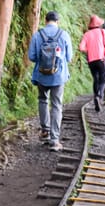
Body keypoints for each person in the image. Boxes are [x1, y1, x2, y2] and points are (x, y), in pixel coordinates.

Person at [28, 10, 73, 151]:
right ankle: (54, 140)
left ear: (45, 20)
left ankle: (45, 130)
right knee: (57, 105)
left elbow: (32, 57)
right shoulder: (64, 34)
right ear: (57, 21)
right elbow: (69, 58)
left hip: (41, 75)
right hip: (58, 77)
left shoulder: (38, 35)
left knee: (43, 100)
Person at [79, 14, 105, 112]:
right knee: (103, 79)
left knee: (95, 79)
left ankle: (96, 95)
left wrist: (89, 50)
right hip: (101, 59)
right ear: (98, 24)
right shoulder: (102, 31)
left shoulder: (87, 34)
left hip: (91, 60)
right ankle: (99, 96)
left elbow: (81, 48)